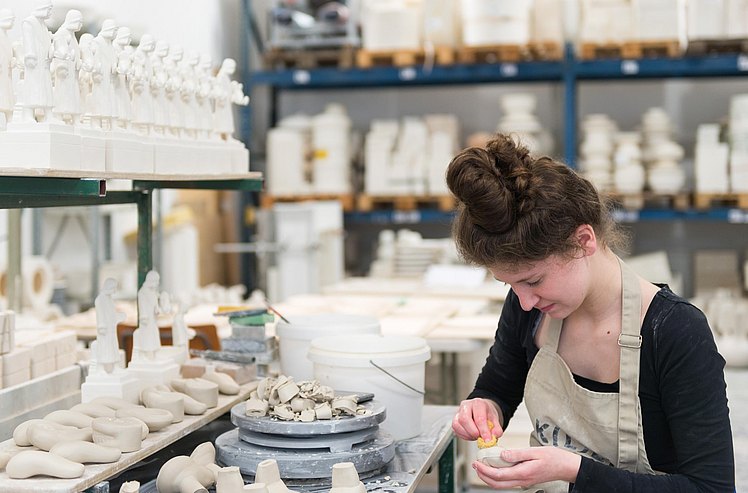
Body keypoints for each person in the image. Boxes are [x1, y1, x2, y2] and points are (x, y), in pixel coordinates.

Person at [447, 134, 734, 492]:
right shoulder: (531, 310)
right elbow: (497, 387)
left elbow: (712, 488)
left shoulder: (674, 331)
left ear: (584, 241)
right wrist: (485, 406)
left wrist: (575, 470)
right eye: (509, 285)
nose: (523, 301)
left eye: (533, 280)